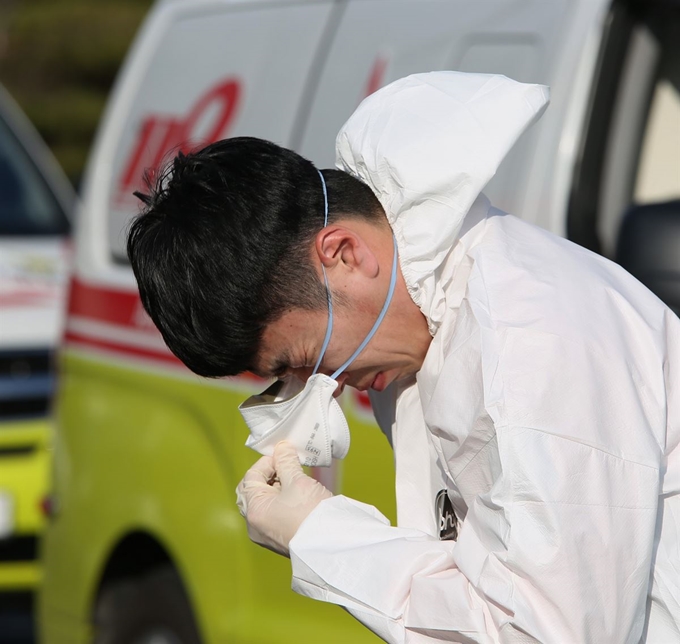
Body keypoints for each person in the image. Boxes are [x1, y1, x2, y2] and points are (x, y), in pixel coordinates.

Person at [127, 72, 680, 643]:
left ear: (344, 253)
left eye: (305, 359)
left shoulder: (530, 345)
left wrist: (324, 536)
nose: (322, 387)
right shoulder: (426, 326)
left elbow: (545, 634)